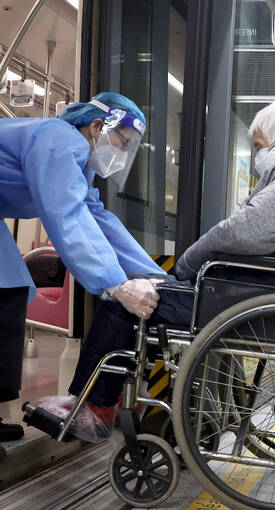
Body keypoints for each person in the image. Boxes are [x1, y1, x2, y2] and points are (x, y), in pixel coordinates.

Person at [33, 100, 275, 439]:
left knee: (121, 302)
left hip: (250, 302)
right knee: (143, 295)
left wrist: (186, 264)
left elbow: (246, 232)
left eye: (259, 147)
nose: (258, 157)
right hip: (258, 296)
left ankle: (94, 410)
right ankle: (118, 402)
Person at [0, 93, 164, 449]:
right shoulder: (60, 141)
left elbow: (97, 218)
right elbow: (67, 217)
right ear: (95, 126)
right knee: (3, 296)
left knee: (8, 294)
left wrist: (153, 275)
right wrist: (117, 285)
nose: (121, 153)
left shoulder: (78, 161)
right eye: (122, 142)